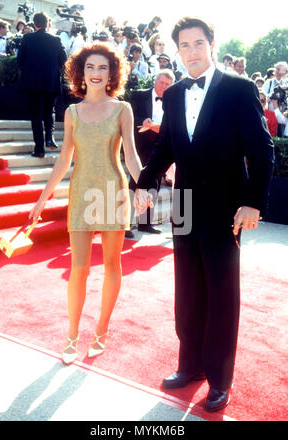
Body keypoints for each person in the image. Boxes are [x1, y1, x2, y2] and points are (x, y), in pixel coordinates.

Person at [135, 16, 274, 412]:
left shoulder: (239, 88)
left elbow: (261, 151)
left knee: (220, 292)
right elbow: (167, 147)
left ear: (211, 44)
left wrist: (253, 202)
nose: (192, 52)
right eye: (184, 46)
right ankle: (190, 364)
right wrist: (145, 182)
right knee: (188, 289)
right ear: (177, 51)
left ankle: (219, 377)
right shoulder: (175, 94)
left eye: (198, 44)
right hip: (186, 205)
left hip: (226, 208)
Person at [29, 42, 143, 365]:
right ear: (81, 72)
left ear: (112, 74)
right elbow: (64, 159)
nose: (95, 73)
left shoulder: (123, 109)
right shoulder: (71, 112)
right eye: (90, 67)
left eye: (102, 68)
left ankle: (102, 329)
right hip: (80, 193)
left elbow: (131, 156)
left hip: (112, 192)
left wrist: (146, 184)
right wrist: (42, 198)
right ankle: (72, 334)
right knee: (78, 269)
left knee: (111, 265)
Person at [128, 69, 174, 237]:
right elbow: (130, 115)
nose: (164, 86)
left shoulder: (173, 99)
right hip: (140, 146)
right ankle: (126, 224)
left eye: (168, 84)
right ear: (155, 81)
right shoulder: (139, 95)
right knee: (135, 182)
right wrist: (143, 121)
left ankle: (145, 224)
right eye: (162, 83)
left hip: (160, 147)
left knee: (154, 184)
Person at [17, 12, 67, 158]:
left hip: (33, 82)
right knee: (49, 111)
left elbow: (19, 60)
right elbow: (64, 59)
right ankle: (49, 138)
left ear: (35, 24)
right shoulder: (56, 39)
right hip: (51, 82)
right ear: (47, 24)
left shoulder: (27, 38)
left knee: (36, 116)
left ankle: (39, 149)